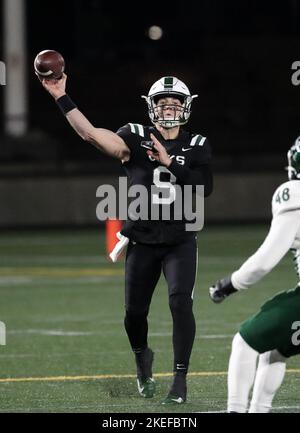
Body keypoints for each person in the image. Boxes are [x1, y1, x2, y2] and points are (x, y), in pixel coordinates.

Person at [39, 73, 213, 404]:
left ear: (187, 107)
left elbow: (204, 188)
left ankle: (179, 380)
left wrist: (169, 162)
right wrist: (61, 96)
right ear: (151, 107)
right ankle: (142, 359)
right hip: (142, 239)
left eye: (175, 102)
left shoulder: (198, 144)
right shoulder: (134, 136)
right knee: (134, 313)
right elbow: (91, 134)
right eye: (163, 103)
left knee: (180, 301)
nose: (169, 108)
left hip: (180, 239)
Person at [208, 140, 300, 413]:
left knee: (245, 341)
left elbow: (265, 261)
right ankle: (260, 409)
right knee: (277, 349)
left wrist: (229, 285)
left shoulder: (293, 192)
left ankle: (235, 409)